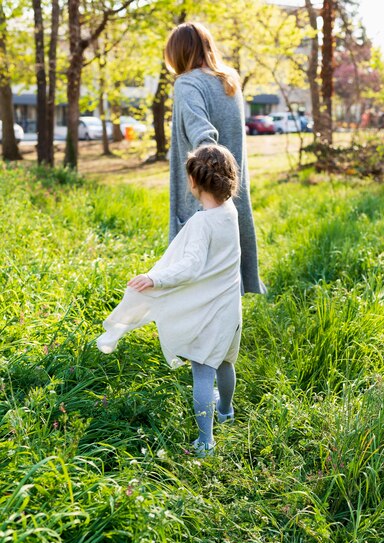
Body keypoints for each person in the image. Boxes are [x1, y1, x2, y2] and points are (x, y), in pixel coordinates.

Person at [97, 145, 242, 458]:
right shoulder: (231, 213)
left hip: (209, 310)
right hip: (230, 307)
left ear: (193, 181)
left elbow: (190, 267)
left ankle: (206, 441)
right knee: (226, 361)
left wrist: (155, 279)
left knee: (203, 373)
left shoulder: (203, 223)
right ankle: (226, 411)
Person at [164, 22, 265, 295]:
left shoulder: (187, 83)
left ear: (177, 53)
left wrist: (204, 180)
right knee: (227, 255)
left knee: (197, 266)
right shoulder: (229, 80)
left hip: (204, 192)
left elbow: (204, 135)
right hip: (232, 189)